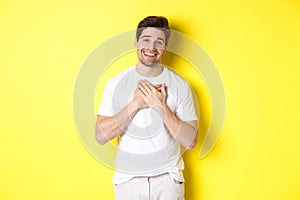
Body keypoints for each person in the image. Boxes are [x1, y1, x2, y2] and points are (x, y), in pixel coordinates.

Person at [95, 16, 198, 200]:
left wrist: (161, 107)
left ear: (165, 48)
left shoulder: (180, 85)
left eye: (159, 42)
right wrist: (136, 104)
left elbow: (190, 141)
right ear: (136, 42)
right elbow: (101, 136)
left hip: (168, 182)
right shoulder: (116, 83)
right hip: (128, 183)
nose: (151, 48)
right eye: (146, 40)